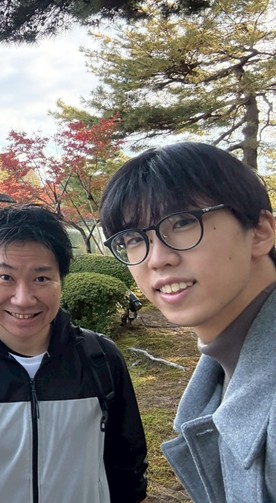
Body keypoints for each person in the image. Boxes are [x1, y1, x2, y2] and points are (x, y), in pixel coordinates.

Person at [0, 205, 148, 502]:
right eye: (5, 277)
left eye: (41, 279)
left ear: (61, 279)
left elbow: (128, 469)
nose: (23, 299)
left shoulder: (100, 360)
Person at [100, 142, 276, 502]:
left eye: (182, 222)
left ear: (259, 232)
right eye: (133, 239)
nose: (157, 259)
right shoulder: (223, 367)